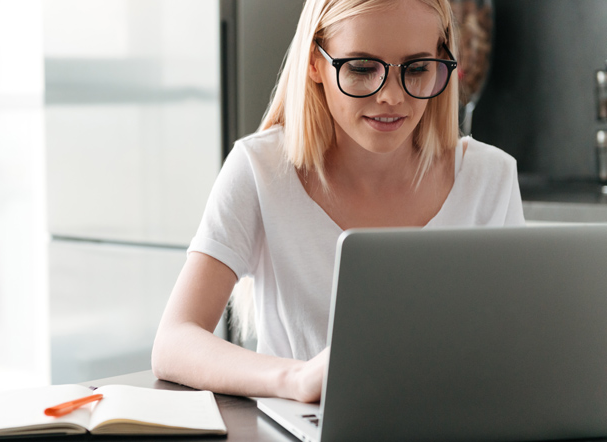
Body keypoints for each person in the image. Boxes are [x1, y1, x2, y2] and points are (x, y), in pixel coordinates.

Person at [152, 0, 525, 403]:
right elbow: (174, 341)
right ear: (315, 62)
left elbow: (520, 349)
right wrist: (295, 379)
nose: (392, 97)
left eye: (417, 69)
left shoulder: (491, 178)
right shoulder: (260, 169)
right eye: (363, 69)